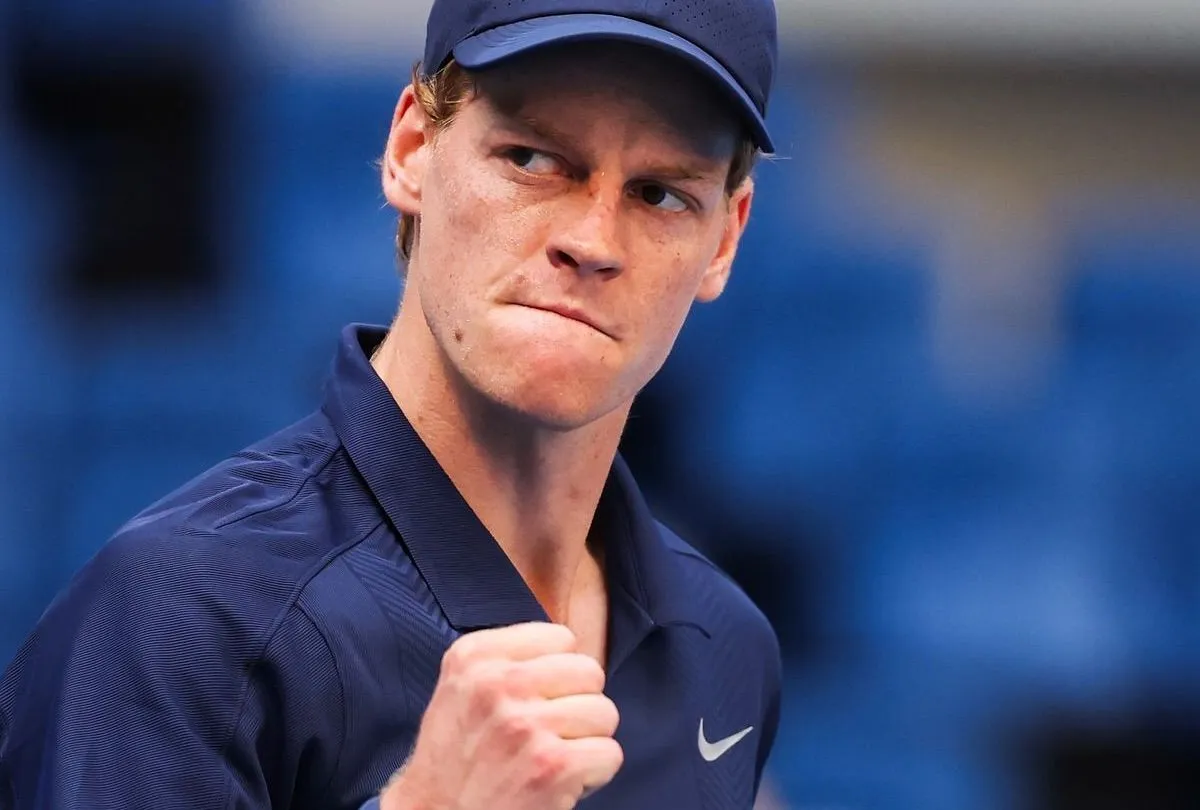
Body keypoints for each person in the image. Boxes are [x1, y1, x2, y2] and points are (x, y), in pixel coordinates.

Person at [0, 0, 783, 807]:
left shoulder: (725, 644)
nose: (591, 240)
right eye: (533, 158)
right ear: (411, 148)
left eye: (659, 195)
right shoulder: (178, 614)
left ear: (725, 239)